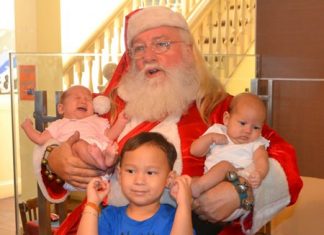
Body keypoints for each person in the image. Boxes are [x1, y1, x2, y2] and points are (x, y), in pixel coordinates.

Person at [33, 6, 303, 235]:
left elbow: (284, 160)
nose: (148, 55)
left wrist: (241, 193)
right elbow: (61, 134)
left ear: (188, 51)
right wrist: (54, 158)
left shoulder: (222, 108)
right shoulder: (108, 105)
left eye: (161, 44)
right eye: (138, 49)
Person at [77, 132, 193, 235]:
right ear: (120, 175)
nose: (139, 181)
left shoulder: (175, 219)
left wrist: (184, 204)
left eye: (150, 172)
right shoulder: (110, 216)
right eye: (131, 171)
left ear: (169, 179)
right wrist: (92, 203)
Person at [22, 85, 128, 190]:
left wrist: (121, 121)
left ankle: (106, 159)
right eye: (77, 98)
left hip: (100, 166)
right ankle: (103, 163)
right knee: (78, 144)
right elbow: (39, 139)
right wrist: (27, 126)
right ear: (61, 108)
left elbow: (109, 136)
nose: (83, 101)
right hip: (74, 171)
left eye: (88, 99)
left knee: (107, 147)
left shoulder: (97, 121)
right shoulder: (58, 124)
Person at [190, 92, 270, 221]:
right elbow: (195, 150)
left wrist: (260, 173)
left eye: (256, 127)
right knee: (186, 182)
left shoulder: (256, 143)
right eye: (243, 123)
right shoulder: (217, 131)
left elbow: (262, 160)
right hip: (209, 184)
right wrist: (210, 138)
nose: (248, 130)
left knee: (225, 166)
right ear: (227, 119)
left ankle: (196, 188)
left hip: (234, 188)